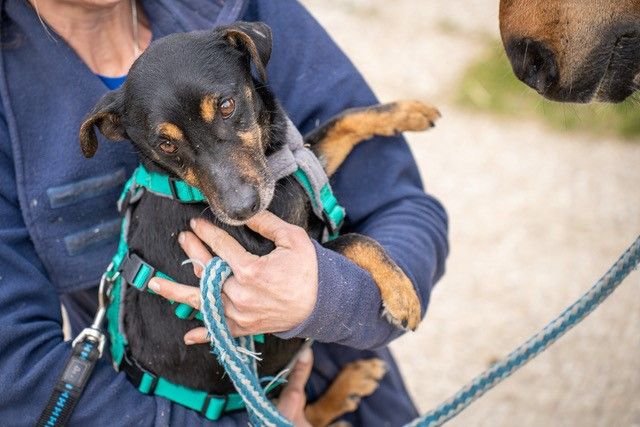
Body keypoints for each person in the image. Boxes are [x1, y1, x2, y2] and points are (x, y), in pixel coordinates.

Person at [0, 0, 449, 425]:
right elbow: (17, 372)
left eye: (228, 109)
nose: (237, 194)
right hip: (166, 403)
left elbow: (403, 207)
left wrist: (335, 297)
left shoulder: (238, 14)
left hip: (349, 381)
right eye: (170, 145)